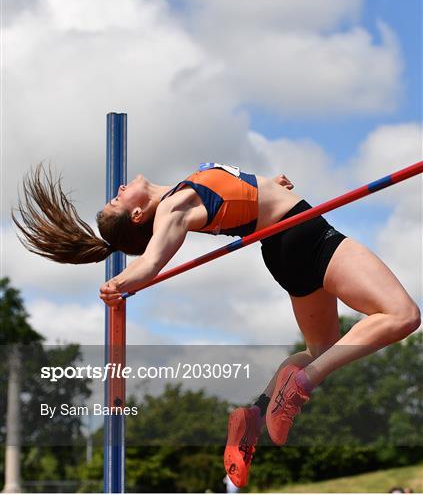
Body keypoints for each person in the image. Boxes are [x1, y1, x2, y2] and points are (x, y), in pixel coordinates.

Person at [13, 163, 421, 487]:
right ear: (138, 214)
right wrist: (120, 282)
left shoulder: (180, 191)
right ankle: (302, 385)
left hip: (285, 247)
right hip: (305, 235)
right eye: (117, 201)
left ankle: (255, 417)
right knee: (401, 316)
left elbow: (236, 195)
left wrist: (266, 185)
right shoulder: (174, 207)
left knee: (320, 351)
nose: (118, 190)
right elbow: (153, 262)